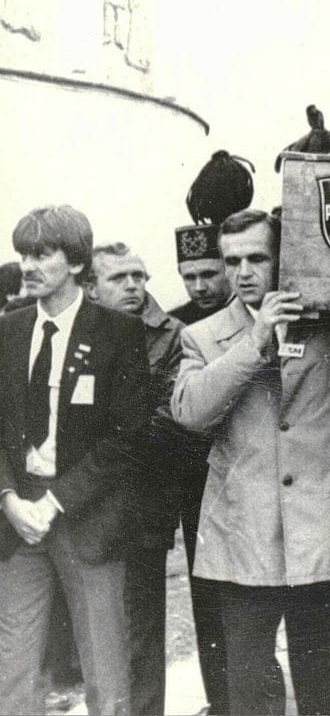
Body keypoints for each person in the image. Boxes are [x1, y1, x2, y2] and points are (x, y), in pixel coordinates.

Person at [172, 209, 330, 715]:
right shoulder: (203, 335)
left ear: (285, 257)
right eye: (232, 261)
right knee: (250, 696)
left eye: (257, 258)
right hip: (243, 541)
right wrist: (256, 342)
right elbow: (191, 411)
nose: (243, 272)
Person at [0, 205, 151, 716]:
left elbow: (127, 437)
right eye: (24, 253)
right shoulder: (8, 331)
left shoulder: (118, 333)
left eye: (42, 254)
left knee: (106, 675)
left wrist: (56, 502)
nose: (28, 264)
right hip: (19, 524)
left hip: (87, 522)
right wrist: (8, 499)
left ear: (77, 261)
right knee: (13, 671)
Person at [87, 242, 185, 715]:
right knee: (94, 636)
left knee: (141, 633)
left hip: (141, 507)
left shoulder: (172, 337)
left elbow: (166, 420)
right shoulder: (77, 334)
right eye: (119, 278)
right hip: (82, 507)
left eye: (139, 275)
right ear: (91, 287)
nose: (133, 285)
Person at [168, 222, 233, 714]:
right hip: (200, 485)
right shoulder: (178, 328)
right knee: (210, 604)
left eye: (209, 273)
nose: (199, 287)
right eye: (188, 276)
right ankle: (222, 701)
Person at [168, 223, 233, 324]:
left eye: (208, 275)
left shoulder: (255, 312)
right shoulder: (174, 324)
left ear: (230, 270)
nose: (199, 288)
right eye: (190, 277)